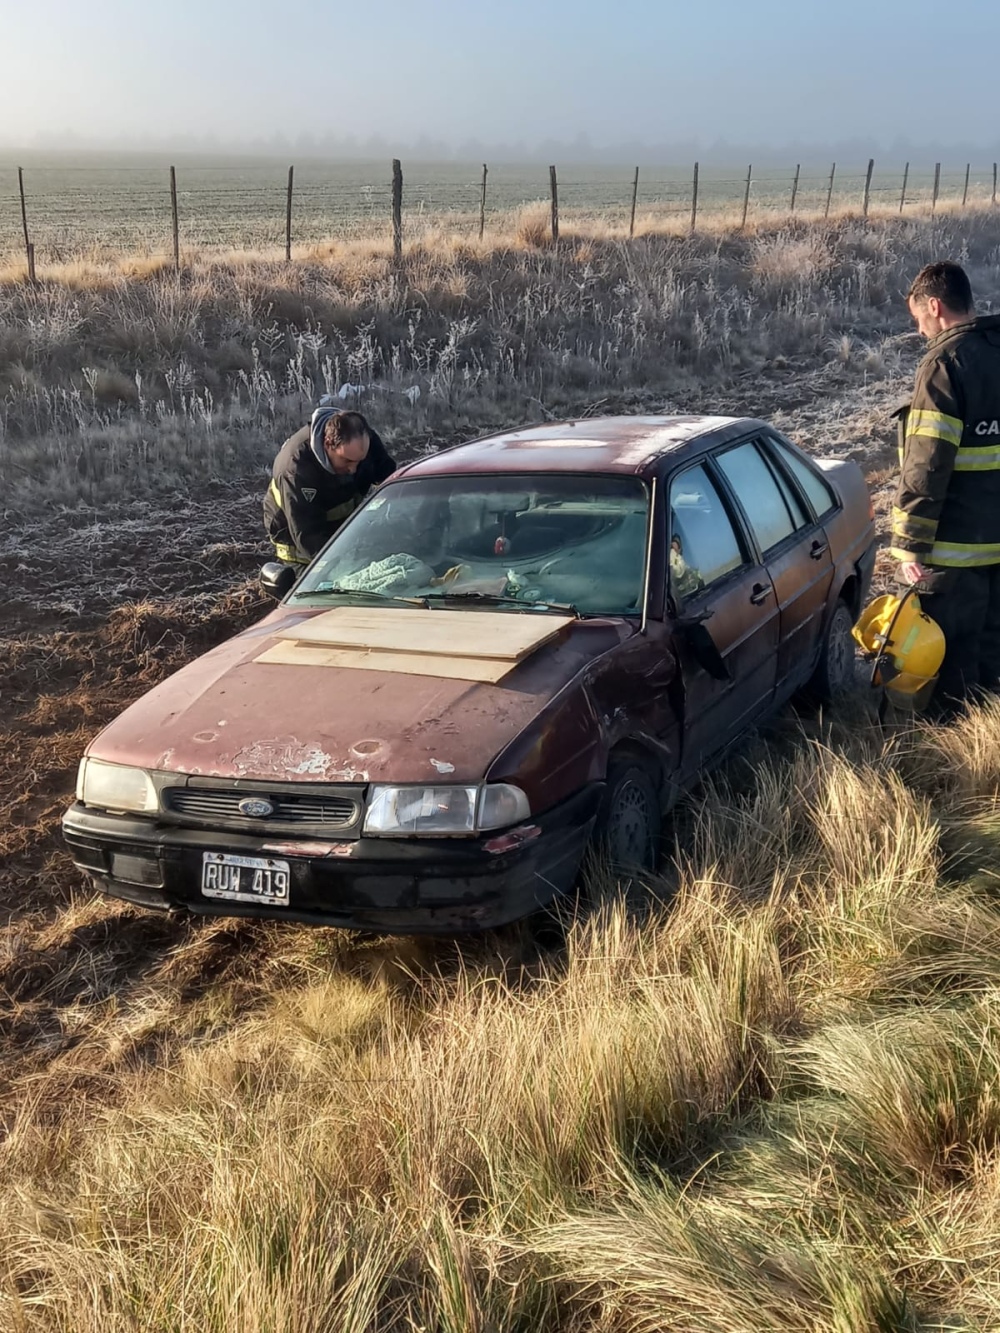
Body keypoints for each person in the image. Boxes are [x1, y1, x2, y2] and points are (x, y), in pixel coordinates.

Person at [890, 260, 1000, 715]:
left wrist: (909, 544)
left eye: (918, 320)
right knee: (993, 657)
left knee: (948, 659)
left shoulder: (944, 364)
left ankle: (953, 757)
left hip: (954, 550)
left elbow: (928, 463)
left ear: (934, 307)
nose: (919, 331)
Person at [264, 407, 397, 567]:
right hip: (301, 547)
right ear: (328, 444)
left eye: (360, 461)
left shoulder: (360, 440)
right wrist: (343, 565)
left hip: (342, 533)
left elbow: (390, 478)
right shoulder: (297, 469)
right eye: (347, 461)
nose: (353, 469)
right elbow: (308, 536)